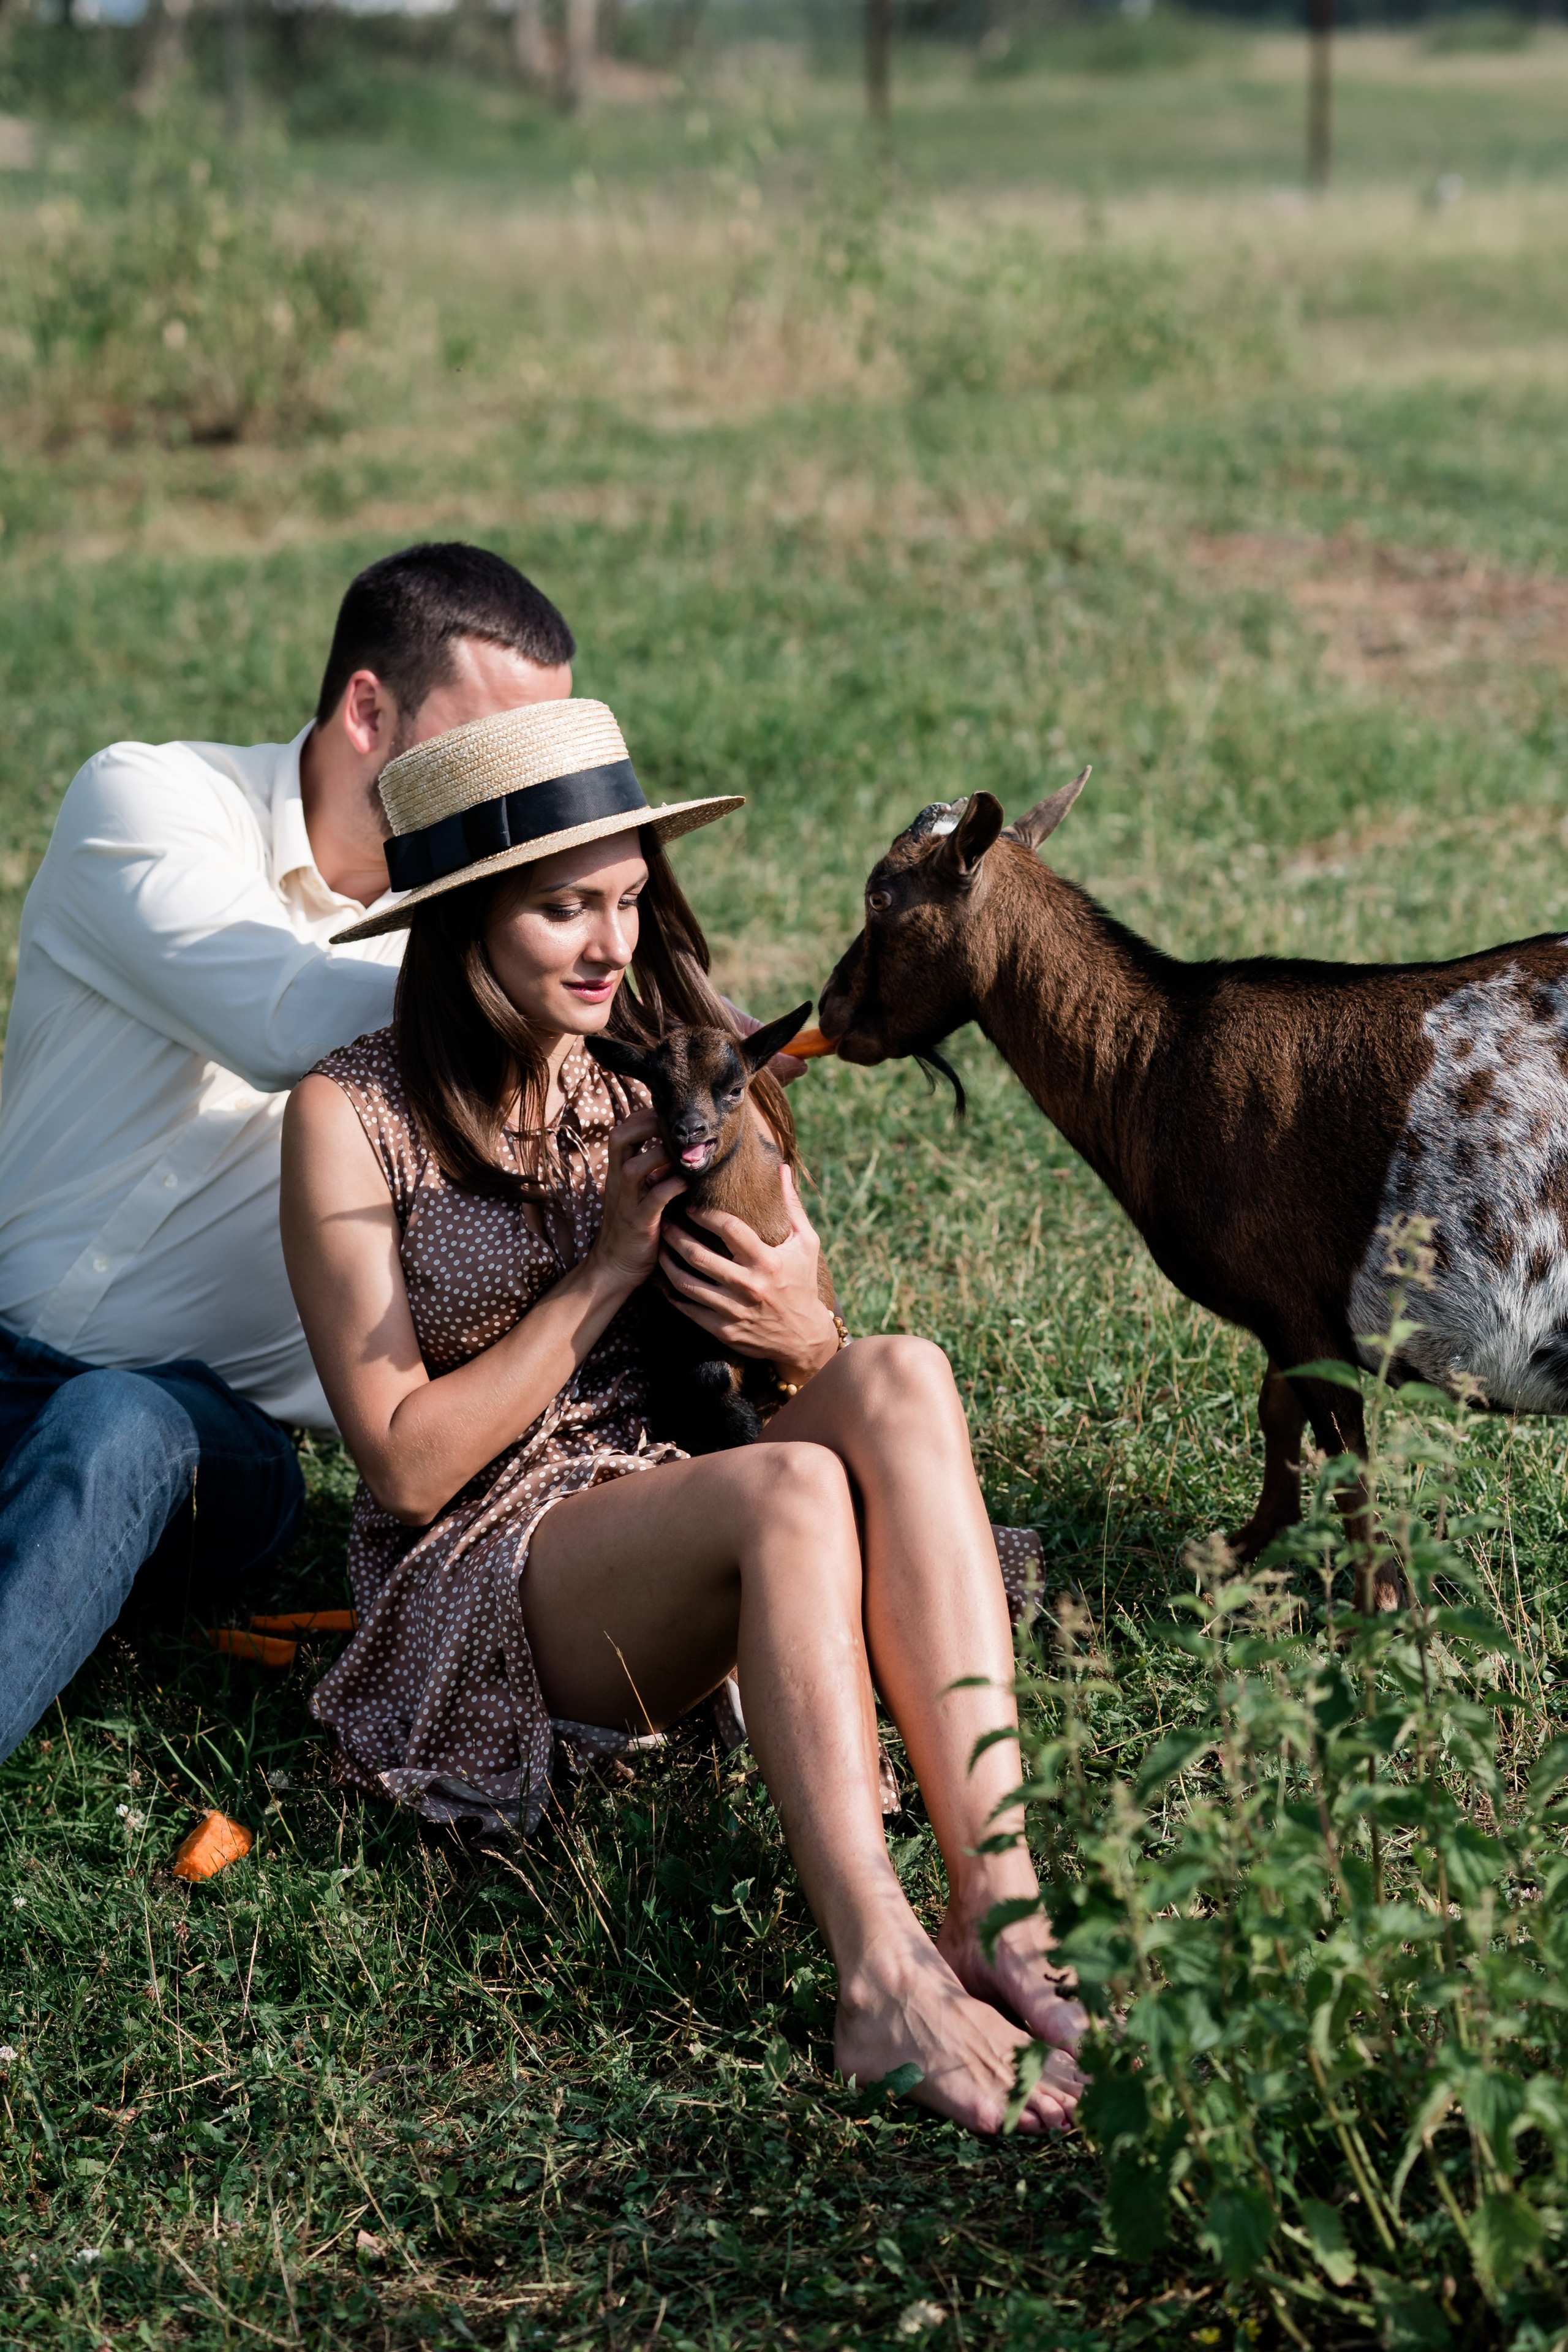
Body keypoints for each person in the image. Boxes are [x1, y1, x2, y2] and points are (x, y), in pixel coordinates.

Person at [281, 695, 1085, 2138]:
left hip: (680, 1468)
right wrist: (598, 1278)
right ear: (463, 921)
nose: (611, 946)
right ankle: (881, 1978)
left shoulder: (662, 1067)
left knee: (903, 1373)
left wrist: (806, 1331)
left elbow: (800, 1334)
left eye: (629, 902)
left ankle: (1000, 1910)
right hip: (491, 1559)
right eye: (563, 911)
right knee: (788, 1500)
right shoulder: (352, 1114)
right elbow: (402, 1468)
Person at [0, 541, 576, 1765]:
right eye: (487, 750)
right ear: (367, 708)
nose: (519, 797)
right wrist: (569, 1005)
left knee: (118, 1430)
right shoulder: (147, 802)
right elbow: (275, 1018)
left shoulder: (491, 973)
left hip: (206, 1442)